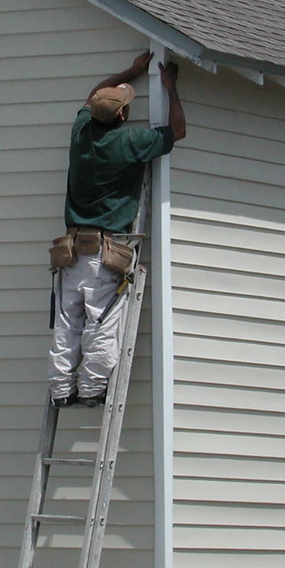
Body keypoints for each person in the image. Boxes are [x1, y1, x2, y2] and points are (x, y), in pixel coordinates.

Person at [48, 51, 187, 407]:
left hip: (71, 250)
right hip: (105, 253)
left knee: (67, 323)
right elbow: (178, 131)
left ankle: (61, 390)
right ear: (123, 115)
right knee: (102, 321)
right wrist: (169, 86)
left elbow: (91, 97)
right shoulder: (129, 142)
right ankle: (93, 389)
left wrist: (129, 71)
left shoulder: (81, 134)